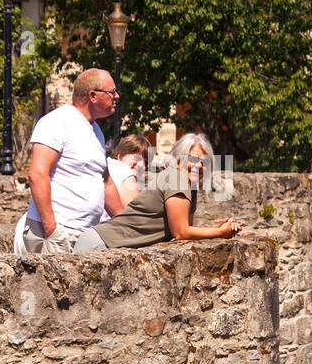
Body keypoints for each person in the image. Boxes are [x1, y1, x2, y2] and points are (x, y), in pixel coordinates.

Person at [73, 131, 242, 251]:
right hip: (101, 244)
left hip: (107, 244)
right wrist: (220, 232)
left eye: (204, 161)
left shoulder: (190, 187)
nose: (199, 165)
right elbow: (181, 232)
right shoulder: (176, 177)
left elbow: (187, 230)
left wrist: (218, 230)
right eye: (193, 159)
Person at [21, 69, 125, 254]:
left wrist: (127, 224)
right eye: (112, 92)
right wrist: (52, 229)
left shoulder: (96, 131)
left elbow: (106, 182)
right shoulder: (57, 122)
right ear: (93, 95)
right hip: (57, 233)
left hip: (83, 234)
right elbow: (37, 174)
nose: (117, 96)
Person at [100, 134, 150, 223]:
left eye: (145, 162)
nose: (142, 166)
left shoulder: (107, 165)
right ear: (120, 156)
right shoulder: (122, 169)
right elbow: (137, 218)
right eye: (136, 158)